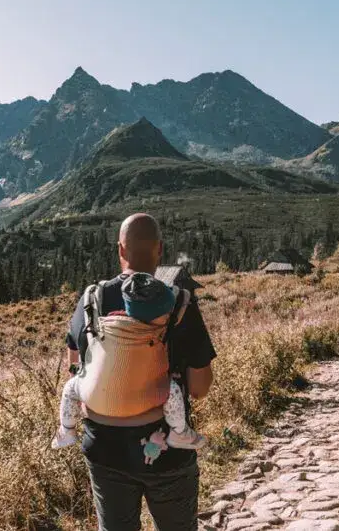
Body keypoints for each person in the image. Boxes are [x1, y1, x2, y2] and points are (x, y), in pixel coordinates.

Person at [63, 213, 216, 531]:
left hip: (104, 449)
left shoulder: (91, 300)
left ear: (120, 250)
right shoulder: (180, 304)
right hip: (167, 450)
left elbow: (75, 369)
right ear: (160, 250)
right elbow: (200, 387)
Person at [53, 272, 206, 451]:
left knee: (70, 387)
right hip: (146, 400)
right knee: (172, 390)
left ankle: (67, 430)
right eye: (165, 312)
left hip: (98, 401)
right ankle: (180, 432)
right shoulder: (157, 331)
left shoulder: (110, 322)